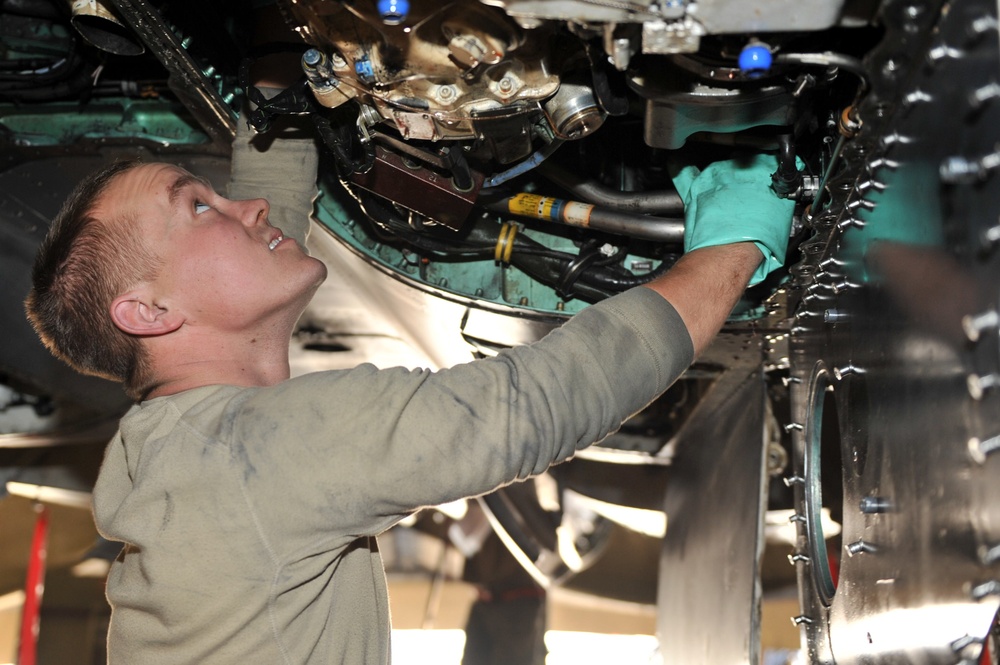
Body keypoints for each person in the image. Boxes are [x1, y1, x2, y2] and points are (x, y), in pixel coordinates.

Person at [24, 109, 793, 662]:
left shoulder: (182, 455)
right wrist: (732, 245)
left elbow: (253, 234)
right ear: (147, 312)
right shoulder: (250, 454)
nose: (246, 206)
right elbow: (531, 405)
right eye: (198, 205)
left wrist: (284, 94)